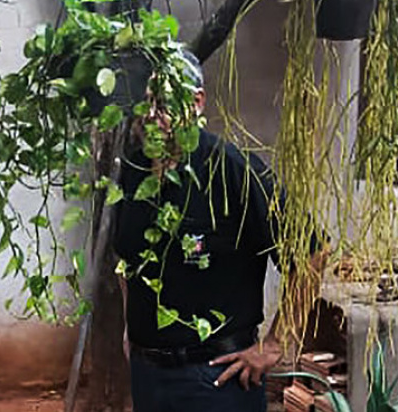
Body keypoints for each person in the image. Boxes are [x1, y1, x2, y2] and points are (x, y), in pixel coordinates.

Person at [113, 49, 284, 412]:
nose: (151, 116)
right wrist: (131, 329)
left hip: (216, 380)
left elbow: (312, 252)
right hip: (149, 377)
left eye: (163, 104)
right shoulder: (132, 172)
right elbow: (125, 256)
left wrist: (274, 344)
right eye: (145, 105)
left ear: (196, 102)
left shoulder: (233, 170)